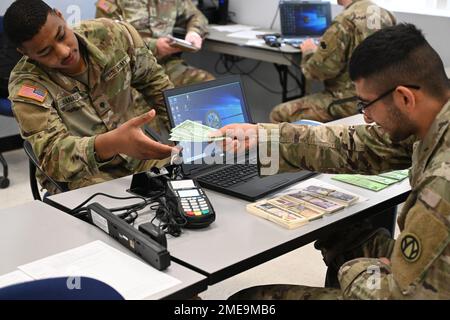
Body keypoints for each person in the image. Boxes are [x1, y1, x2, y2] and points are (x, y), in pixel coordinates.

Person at [214, 23, 450, 299]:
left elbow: (399, 296)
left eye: (366, 105)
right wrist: (263, 137)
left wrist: (357, 269)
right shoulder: (432, 117)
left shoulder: (441, 184)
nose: (366, 117)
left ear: (404, 97)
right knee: (343, 232)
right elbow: (363, 145)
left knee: (249, 301)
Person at [4, 0, 178, 194]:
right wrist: (112, 143)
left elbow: (157, 86)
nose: (64, 52)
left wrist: (189, 135)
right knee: (120, 213)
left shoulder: (113, 35)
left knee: (194, 178)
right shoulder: (27, 86)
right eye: (45, 52)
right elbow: (52, 157)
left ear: (60, 16)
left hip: (139, 157)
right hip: (81, 174)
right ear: (25, 53)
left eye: (61, 35)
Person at [270, 0, 396, 124]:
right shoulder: (386, 15)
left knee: (278, 114)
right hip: (380, 97)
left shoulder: (344, 21)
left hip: (348, 101)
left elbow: (317, 71)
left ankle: (276, 145)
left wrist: (308, 51)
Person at [95, 0, 215, 88]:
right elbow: (108, 40)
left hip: (166, 65)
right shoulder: (113, 2)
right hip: (131, 71)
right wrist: (154, 46)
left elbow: (197, 15)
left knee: (209, 86)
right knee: (156, 113)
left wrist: (194, 32)